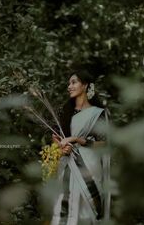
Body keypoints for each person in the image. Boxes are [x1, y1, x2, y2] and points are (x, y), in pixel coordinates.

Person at [51, 69, 110, 225]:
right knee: (65, 211)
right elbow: (56, 138)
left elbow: (104, 144)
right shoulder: (64, 111)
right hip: (67, 167)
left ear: (85, 86)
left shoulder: (97, 114)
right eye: (69, 83)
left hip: (89, 169)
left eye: (74, 82)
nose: (69, 86)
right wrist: (61, 147)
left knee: (85, 212)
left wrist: (78, 139)